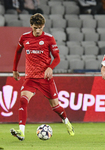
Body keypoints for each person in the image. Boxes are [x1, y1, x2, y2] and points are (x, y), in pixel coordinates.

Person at [10, 13, 74, 141]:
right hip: (30, 78)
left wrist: (50, 67)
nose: (38, 30)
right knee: (23, 100)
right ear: (31, 26)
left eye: (40, 27)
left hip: (45, 78)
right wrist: (15, 70)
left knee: (55, 107)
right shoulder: (24, 37)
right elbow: (17, 52)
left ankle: (66, 121)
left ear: (43, 26)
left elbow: (57, 58)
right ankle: (21, 132)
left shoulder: (49, 38)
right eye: (35, 27)